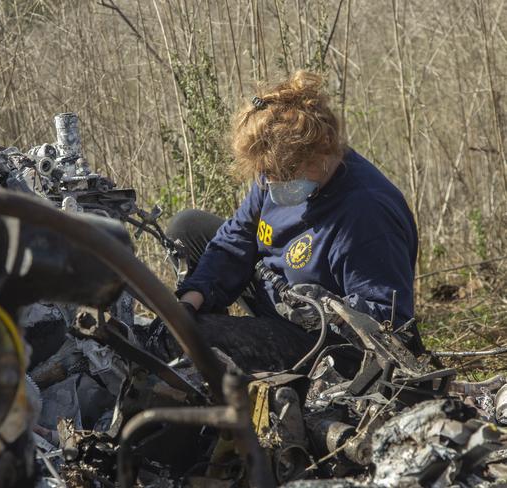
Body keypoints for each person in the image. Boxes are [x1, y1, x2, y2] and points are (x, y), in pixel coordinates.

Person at [164, 70, 422, 376]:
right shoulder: (276, 172)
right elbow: (236, 238)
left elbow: (387, 320)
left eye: (282, 174)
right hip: (276, 292)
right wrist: (192, 298)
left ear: (321, 151)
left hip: (325, 342)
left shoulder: (366, 213)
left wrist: (325, 309)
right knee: (188, 228)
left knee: (200, 337)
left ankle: (241, 357)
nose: (271, 183)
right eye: (266, 174)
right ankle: (224, 335)